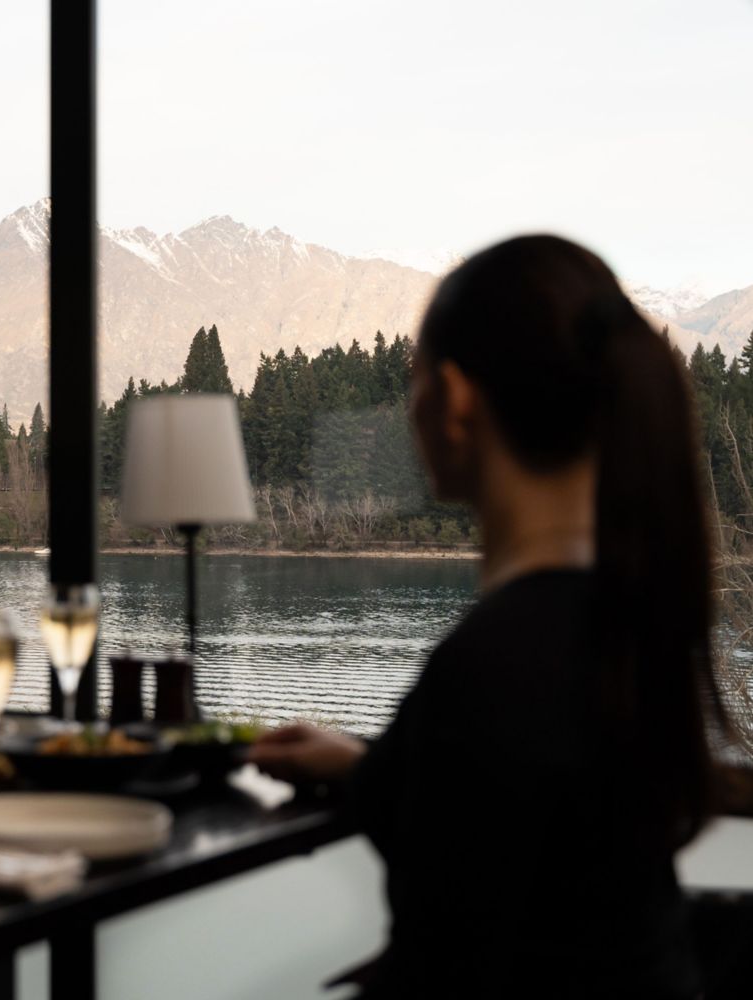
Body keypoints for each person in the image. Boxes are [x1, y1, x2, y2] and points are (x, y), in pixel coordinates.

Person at [248, 234, 728, 998]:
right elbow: (536, 835)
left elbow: (445, 966)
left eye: (413, 383)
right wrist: (371, 767)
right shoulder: (626, 625)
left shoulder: (495, 666)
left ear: (455, 399)